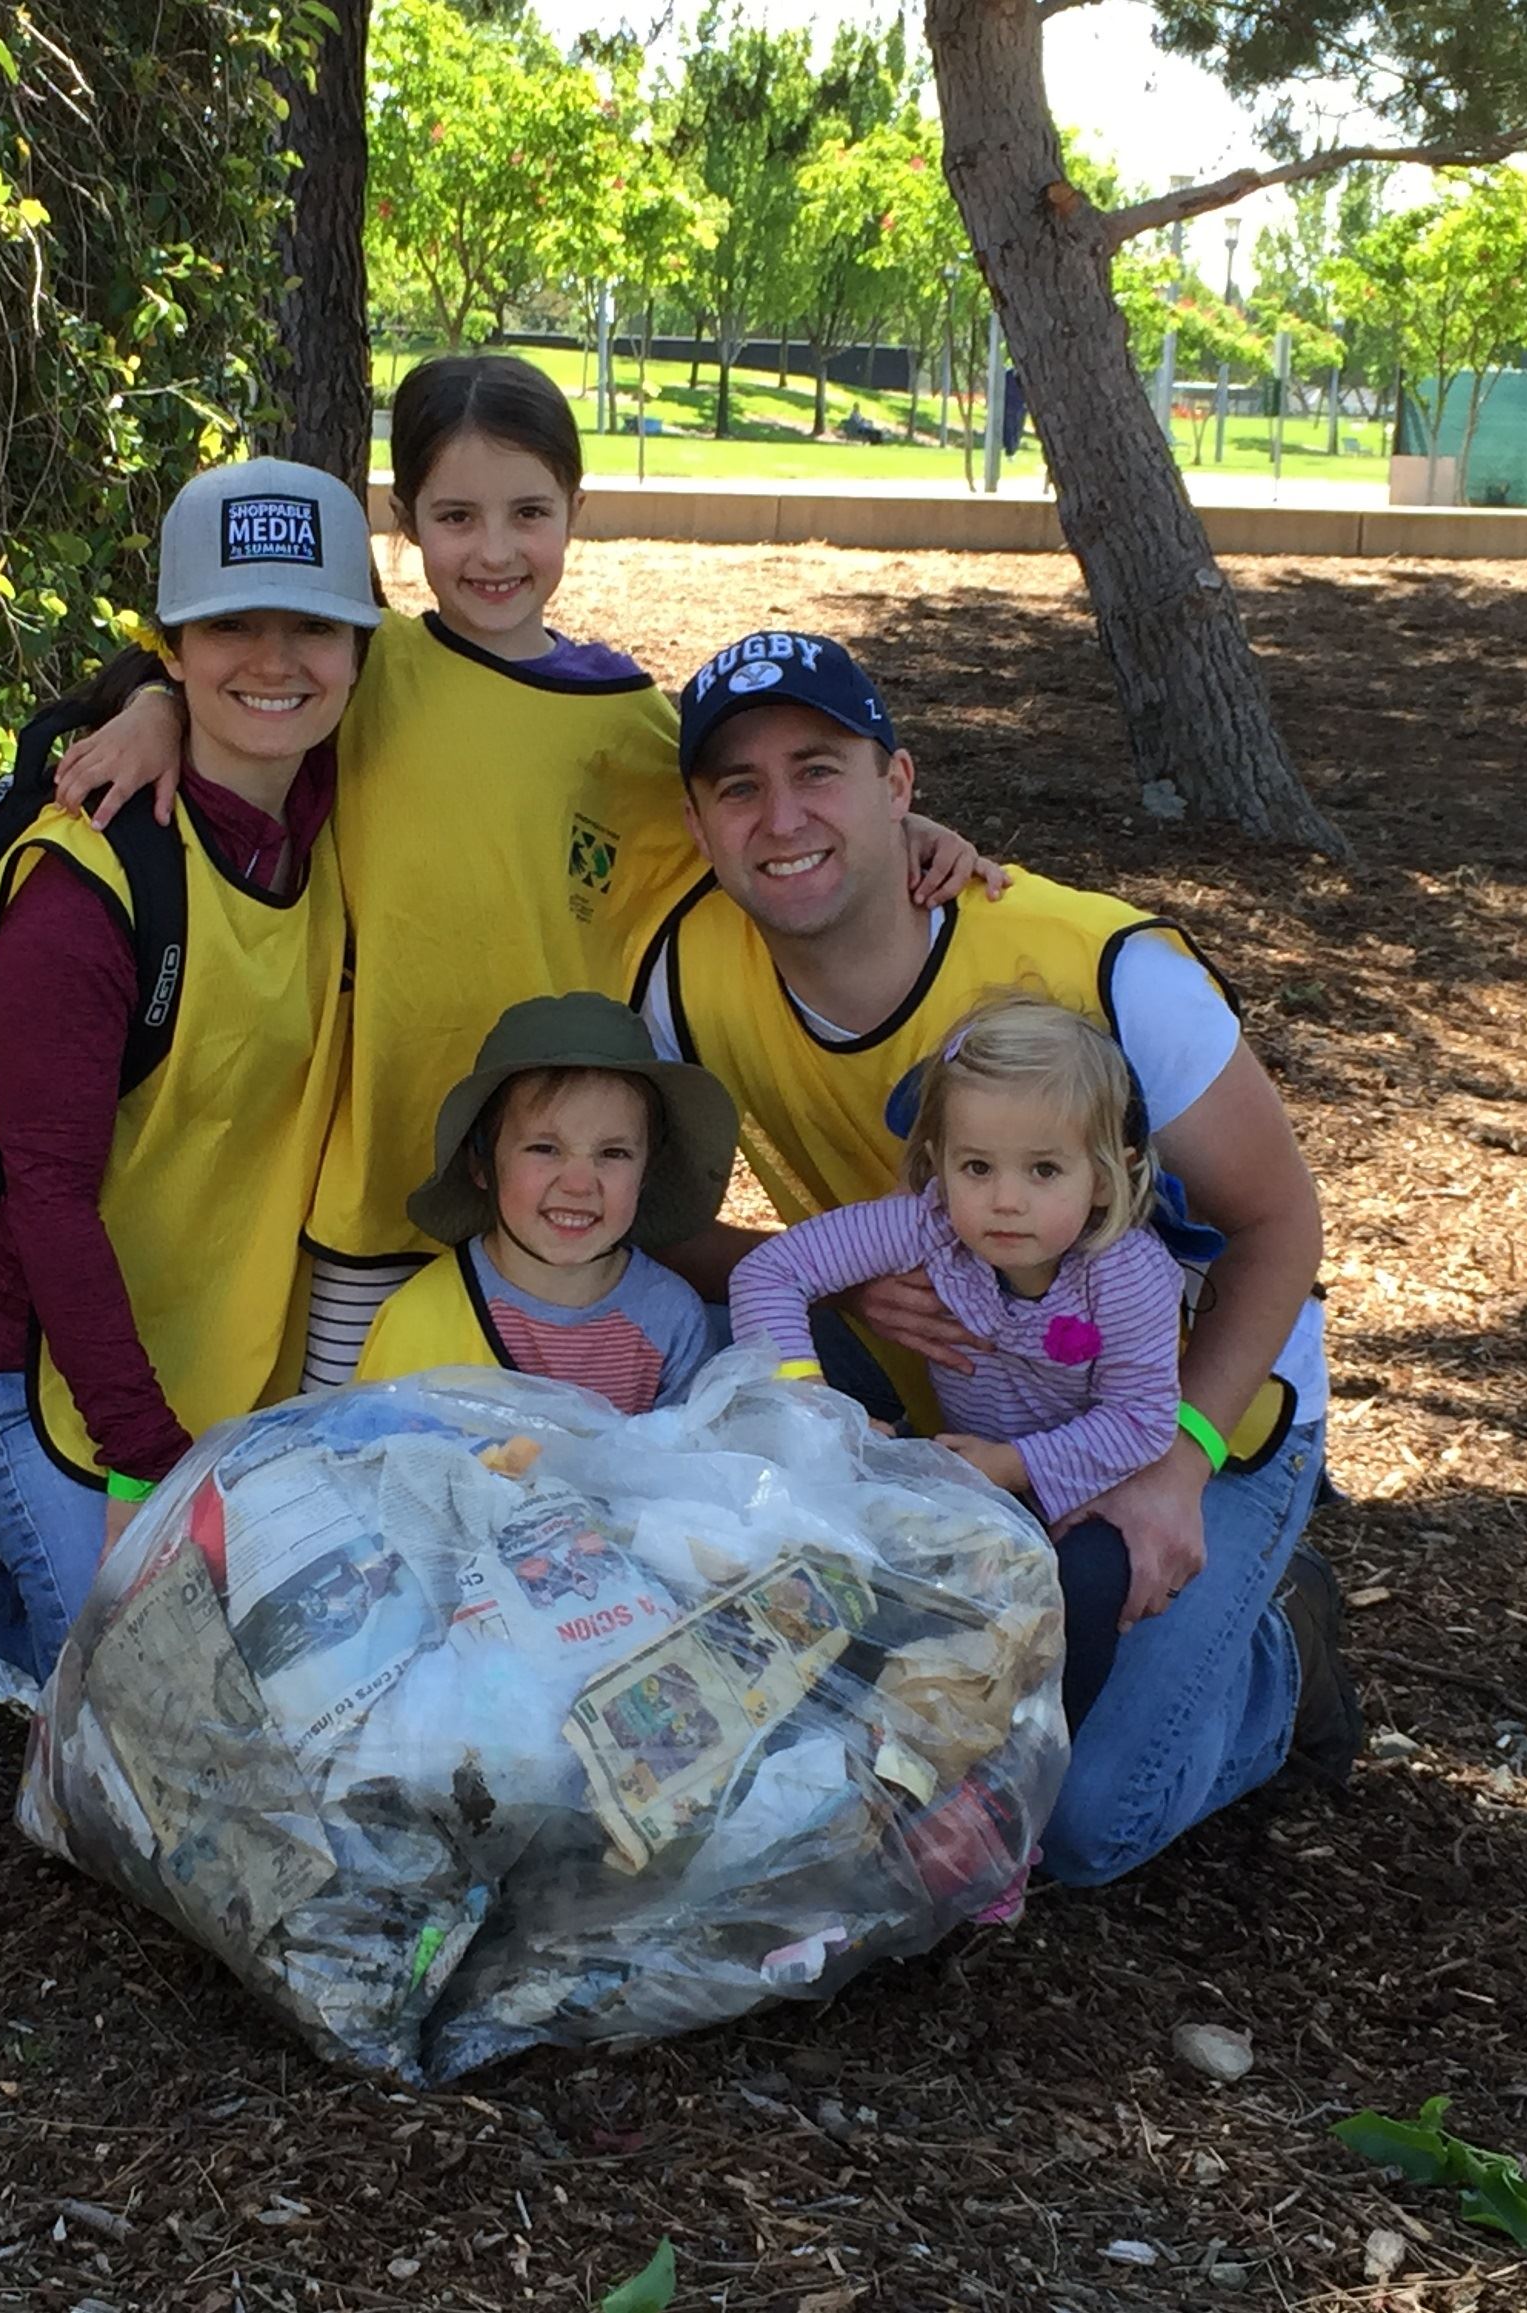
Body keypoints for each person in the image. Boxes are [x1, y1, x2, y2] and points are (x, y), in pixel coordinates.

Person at [46, 354, 990, 1391]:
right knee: (360, 1474)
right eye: (454, 517)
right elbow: (249, 682)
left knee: (543, 1501)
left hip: (556, 1194)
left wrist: (908, 828)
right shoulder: (371, 672)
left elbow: (755, 819)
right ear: (403, 519)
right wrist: (152, 708)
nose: (493, 552)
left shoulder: (634, 729)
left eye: (527, 512)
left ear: (575, 510)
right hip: (368, 1188)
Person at [636, 628, 1359, 1888]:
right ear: (698, 827)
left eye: (818, 769)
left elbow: (1279, 1225)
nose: (781, 815)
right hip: (968, 1409)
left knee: (1083, 1825)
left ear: (899, 786)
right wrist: (839, 1303)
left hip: (1200, 1397)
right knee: (899, 1775)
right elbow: (658, 1220)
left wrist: (1177, 1464)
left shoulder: (1097, 966)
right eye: (736, 787)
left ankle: (1280, 1652)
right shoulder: (682, 978)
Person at [0, 457, 378, 1699]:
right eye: (229, 626)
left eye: (311, 624)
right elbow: (47, 1201)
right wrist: (150, 1470)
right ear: (171, 645)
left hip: (233, 1364)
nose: (273, 659)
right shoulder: (86, 891)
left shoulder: (335, 807)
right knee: (151, 1732)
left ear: (361, 650)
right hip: (55, 1383)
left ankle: (0, 1580)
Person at [728, 991, 1178, 1731]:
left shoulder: (1121, 1271)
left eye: (1042, 1170)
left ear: (1104, 1174)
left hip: (1083, 1489)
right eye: (977, 1166)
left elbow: (1141, 1419)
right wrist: (806, 1402)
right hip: (965, 1478)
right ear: (939, 1162)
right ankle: (881, 1735)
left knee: (1085, 1585)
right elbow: (770, 1273)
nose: (1004, 1200)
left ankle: (1027, 1754)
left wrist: (1012, 1465)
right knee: (891, 1581)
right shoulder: (932, 1221)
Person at [355, 992, 735, 1414]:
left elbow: (694, 1468)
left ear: (647, 1173)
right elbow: (377, 1462)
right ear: (481, 1164)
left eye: (613, 1154)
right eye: (543, 1148)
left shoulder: (671, 1320)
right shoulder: (421, 1320)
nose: (577, 1184)